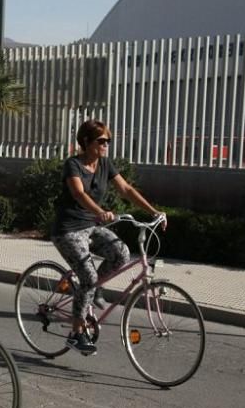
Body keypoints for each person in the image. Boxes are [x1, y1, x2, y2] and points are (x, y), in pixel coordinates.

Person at [51, 119, 166, 356]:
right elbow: (79, 193)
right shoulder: (73, 164)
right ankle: (76, 333)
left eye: (108, 141)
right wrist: (99, 212)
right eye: (101, 140)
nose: (106, 145)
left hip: (90, 227)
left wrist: (153, 212)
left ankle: (91, 290)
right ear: (86, 141)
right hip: (68, 230)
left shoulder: (105, 164)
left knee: (121, 253)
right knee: (89, 277)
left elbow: (126, 190)